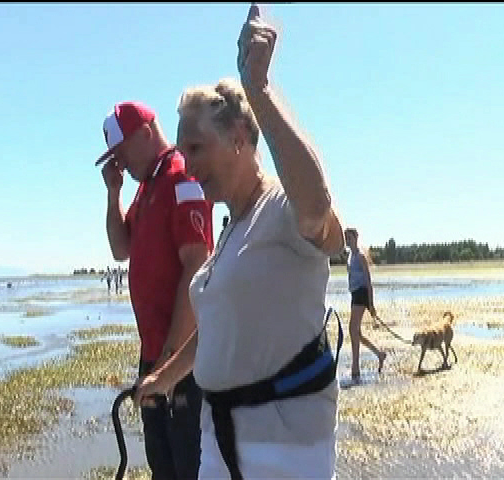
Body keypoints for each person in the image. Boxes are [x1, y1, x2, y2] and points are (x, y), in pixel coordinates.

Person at [134, 5, 345, 478]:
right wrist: (164, 378)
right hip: (219, 442)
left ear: (237, 138)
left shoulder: (283, 208)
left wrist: (260, 90)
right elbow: (219, 325)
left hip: (284, 453)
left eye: (195, 148)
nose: (185, 165)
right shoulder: (231, 229)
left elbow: (318, 207)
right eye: (181, 151)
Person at [95, 100, 214, 479]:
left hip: (181, 363)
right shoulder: (147, 186)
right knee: (163, 466)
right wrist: (113, 192)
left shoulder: (181, 177)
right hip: (156, 359)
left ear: (145, 135)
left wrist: (168, 362)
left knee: (188, 468)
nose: (121, 164)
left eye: (122, 152)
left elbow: (197, 264)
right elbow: (119, 249)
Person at [344, 227, 387, 380]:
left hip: (362, 294)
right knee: (356, 332)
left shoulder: (361, 256)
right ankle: (379, 354)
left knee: (352, 329)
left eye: (350, 238)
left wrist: (371, 304)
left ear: (356, 238)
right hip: (355, 294)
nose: (348, 241)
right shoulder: (350, 256)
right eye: (346, 238)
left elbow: (368, 281)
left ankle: (355, 368)